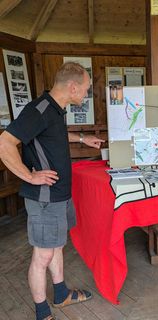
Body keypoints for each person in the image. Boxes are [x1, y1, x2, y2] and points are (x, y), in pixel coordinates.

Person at [0, 62, 105, 320]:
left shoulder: (55, 108)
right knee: (43, 254)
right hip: (45, 198)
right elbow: (4, 142)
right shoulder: (39, 109)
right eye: (86, 89)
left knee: (57, 246)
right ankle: (42, 312)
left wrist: (82, 139)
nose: (87, 93)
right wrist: (29, 176)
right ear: (72, 87)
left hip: (59, 195)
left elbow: (52, 135)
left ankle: (61, 294)